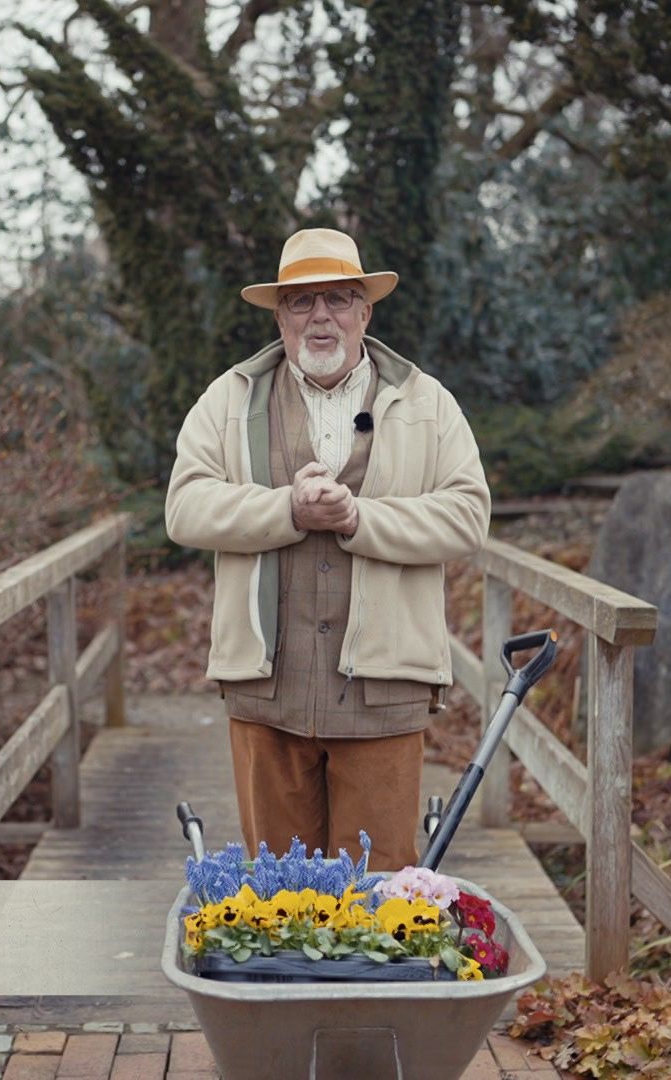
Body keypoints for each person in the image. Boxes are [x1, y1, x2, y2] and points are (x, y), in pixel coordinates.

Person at [163, 227, 490, 872]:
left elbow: (468, 516)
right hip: (267, 688)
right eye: (301, 302)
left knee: (379, 903)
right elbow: (184, 506)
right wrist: (285, 508)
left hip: (384, 690)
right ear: (279, 314)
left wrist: (357, 518)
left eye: (338, 299)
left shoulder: (428, 402)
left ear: (365, 311)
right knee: (282, 900)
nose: (320, 317)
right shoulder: (228, 399)